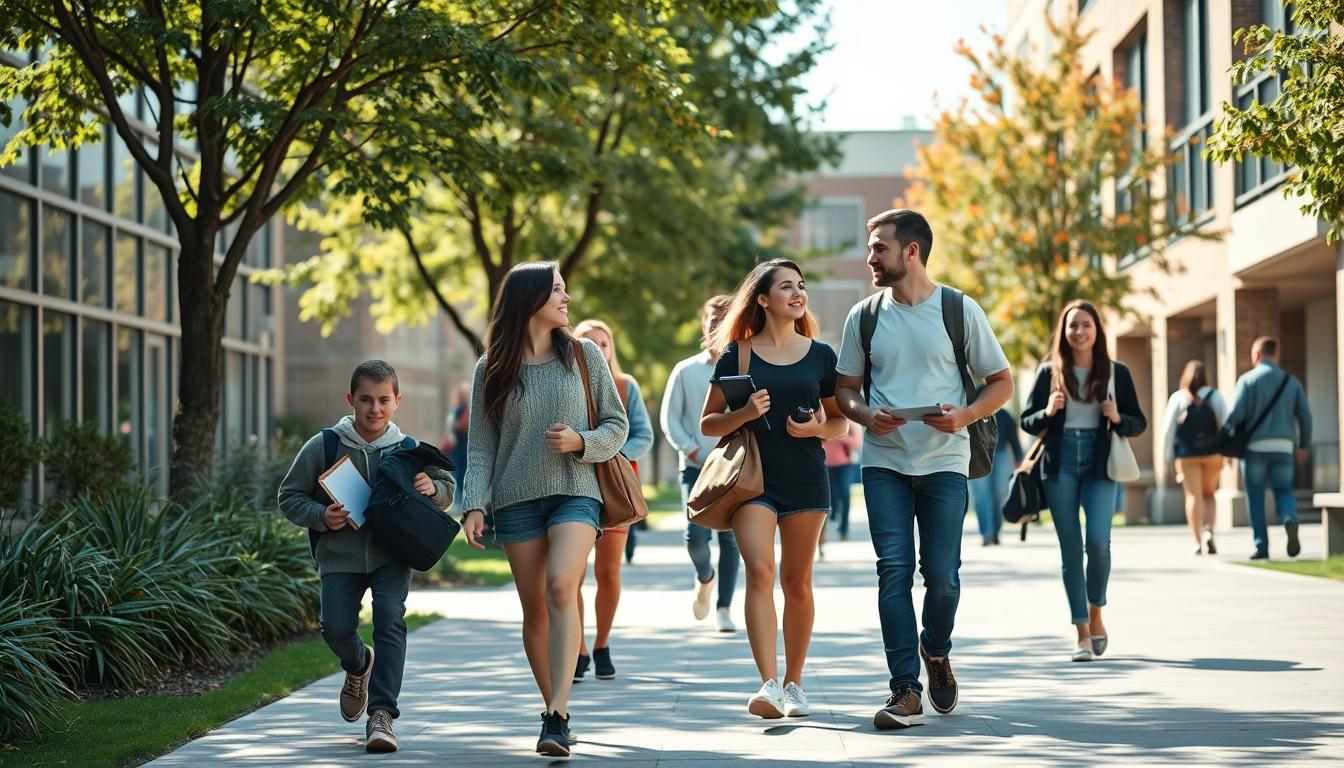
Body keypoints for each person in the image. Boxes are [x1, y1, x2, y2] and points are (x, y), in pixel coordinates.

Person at [834, 208, 1013, 730]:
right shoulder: (864, 316)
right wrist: (866, 415)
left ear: (911, 251)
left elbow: (1001, 382)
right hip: (884, 462)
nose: (870, 257)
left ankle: (936, 650)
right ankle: (905, 690)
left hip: (945, 461)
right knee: (893, 571)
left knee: (943, 577)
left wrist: (965, 415)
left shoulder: (959, 309)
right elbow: (845, 390)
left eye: (879, 247)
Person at [459, 261, 629, 758]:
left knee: (561, 586)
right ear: (530, 298)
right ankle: (554, 714)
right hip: (515, 501)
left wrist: (581, 441)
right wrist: (474, 504)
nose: (566, 298)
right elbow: (481, 445)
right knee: (534, 611)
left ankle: (558, 712)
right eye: (557, 290)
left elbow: (616, 425)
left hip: (576, 491)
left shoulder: (584, 355)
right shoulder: (491, 367)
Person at [278, 360, 455, 754]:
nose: (375, 408)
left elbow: (446, 486)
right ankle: (359, 664)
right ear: (351, 399)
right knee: (336, 629)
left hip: (393, 555)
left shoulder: (409, 449)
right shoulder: (324, 445)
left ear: (397, 401)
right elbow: (288, 496)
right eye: (366, 399)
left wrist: (433, 488)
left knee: (390, 619)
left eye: (383, 400)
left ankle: (382, 715)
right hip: (338, 556)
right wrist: (320, 516)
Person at [700, 259, 848, 720]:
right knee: (760, 571)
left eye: (801, 285)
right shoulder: (738, 354)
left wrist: (816, 431)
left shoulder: (821, 355)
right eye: (787, 286)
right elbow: (709, 423)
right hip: (752, 481)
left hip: (805, 478)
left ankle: (795, 683)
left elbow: (840, 423)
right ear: (763, 299)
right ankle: (768, 683)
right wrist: (745, 414)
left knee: (797, 582)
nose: (798, 293)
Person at [1020, 300, 1146, 663]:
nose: (1079, 331)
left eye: (1086, 325)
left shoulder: (1116, 373)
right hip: (1059, 465)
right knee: (1071, 550)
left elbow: (1138, 423)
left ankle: (1096, 612)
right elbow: (1027, 421)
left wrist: (1118, 417)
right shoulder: (1048, 373)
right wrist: (1048, 411)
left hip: (1100, 463)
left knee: (1099, 543)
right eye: (1073, 325)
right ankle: (1081, 634)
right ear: (1064, 332)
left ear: (1097, 330)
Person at [571, 318, 654, 683]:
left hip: (615, 489)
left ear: (611, 349)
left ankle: (602, 644)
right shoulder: (565, 383)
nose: (598, 349)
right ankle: (577, 649)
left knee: (608, 572)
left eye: (604, 343)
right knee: (571, 575)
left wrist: (609, 452)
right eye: (589, 342)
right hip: (575, 486)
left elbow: (643, 436)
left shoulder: (625, 386)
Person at [661, 294, 741, 632]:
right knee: (695, 537)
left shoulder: (742, 368)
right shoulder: (685, 370)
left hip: (733, 468)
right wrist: (692, 450)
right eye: (713, 319)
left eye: (725, 319)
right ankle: (705, 577)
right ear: (703, 324)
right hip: (695, 467)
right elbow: (670, 420)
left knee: (730, 539)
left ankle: (724, 608)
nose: (718, 325)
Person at [1225, 336, 1312, 560]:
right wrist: (1303, 445)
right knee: (1284, 490)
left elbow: (1236, 415)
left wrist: (1226, 439)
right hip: (1284, 447)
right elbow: (1305, 416)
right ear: (1276, 353)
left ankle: (1261, 545)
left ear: (1256, 355)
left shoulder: (1247, 380)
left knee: (1255, 497)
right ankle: (1290, 517)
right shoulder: (1291, 382)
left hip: (1255, 447)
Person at [1160, 360, 1228, 555]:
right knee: (1209, 494)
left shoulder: (1178, 397)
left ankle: (1197, 541)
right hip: (1213, 453)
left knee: (1193, 496)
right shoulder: (1215, 396)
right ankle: (1209, 531)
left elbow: (1168, 429)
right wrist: (1228, 452)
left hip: (1187, 454)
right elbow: (1226, 423)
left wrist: (1166, 456)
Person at [968, 409, 1023, 546]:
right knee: (982, 495)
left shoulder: (1004, 414)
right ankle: (986, 533)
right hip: (977, 453)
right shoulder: (971, 407)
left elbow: (1013, 437)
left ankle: (996, 531)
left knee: (1001, 492)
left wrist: (1019, 457)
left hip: (1001, 454)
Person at [822, 422, 863, 546]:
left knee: (845, 495)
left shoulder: (850, 423)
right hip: (826, 465)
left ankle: (844, 530)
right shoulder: (823, 419)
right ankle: (826, 530)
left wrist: (839, 436)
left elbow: (857, 443)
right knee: (829, 498)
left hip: (845, 465)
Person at [446, 382, 471, 511]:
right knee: (461, 476)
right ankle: (460, 504)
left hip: (463, 448)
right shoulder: (462, 410)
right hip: (461, 448)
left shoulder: (463, 409)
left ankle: (461, 504)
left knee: (461, 476)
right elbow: (454, 427)